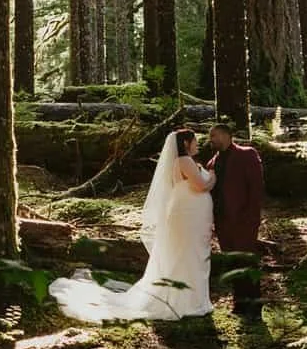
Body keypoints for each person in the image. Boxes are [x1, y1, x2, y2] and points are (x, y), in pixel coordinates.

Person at [48, 129, 214, 321]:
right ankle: (187, 301)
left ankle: (190, 298)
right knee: (188, 255)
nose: (197, 144)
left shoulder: (185, 162)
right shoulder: (184, 161)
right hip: (187, 216)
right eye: (194, 141)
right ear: (185, 143)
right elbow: (201, 186)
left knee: (187, 255)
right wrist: (212, 177)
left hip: (189, 214)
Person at [206, 119, 265, 315]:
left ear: (225, 135)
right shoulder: (212, 161)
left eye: (213, 135)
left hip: (244, 221)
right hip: (223, 222)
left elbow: (256, 188)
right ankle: (239, 304)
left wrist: (252, 217)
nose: (210, 139)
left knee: (247, 261)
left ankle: (255, 306)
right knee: (232, 262)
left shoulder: (247, 154)